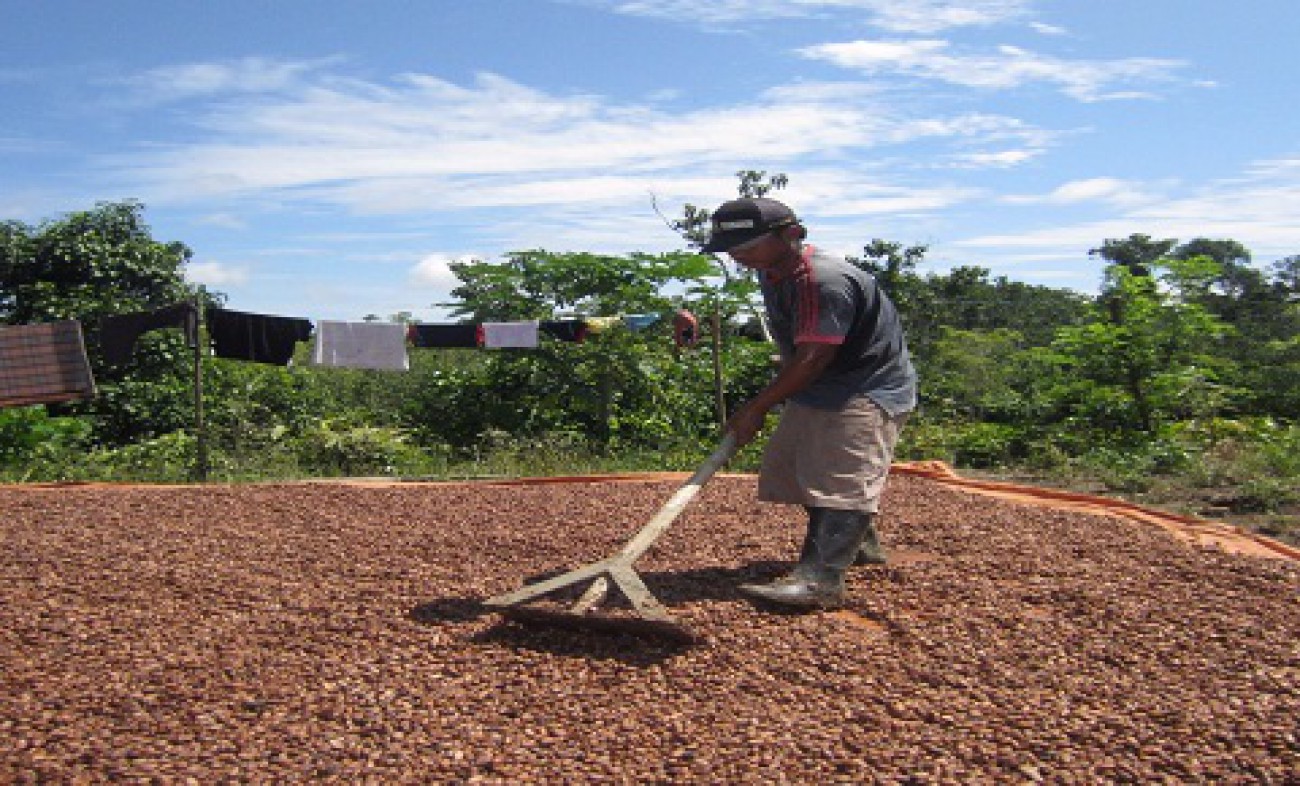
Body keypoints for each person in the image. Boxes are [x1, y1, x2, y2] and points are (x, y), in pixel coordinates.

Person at [703, 197, 918, 609]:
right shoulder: (772, 272)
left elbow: (815, 355)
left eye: (748, 247)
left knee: (843, 479)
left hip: (865, 388)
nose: (737, 256)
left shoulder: (822, 279)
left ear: (792, 235)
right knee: (800, 466)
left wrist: (757, 406)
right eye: (733, 249)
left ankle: (821, 582)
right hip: (818, 384)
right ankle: (859, 546)